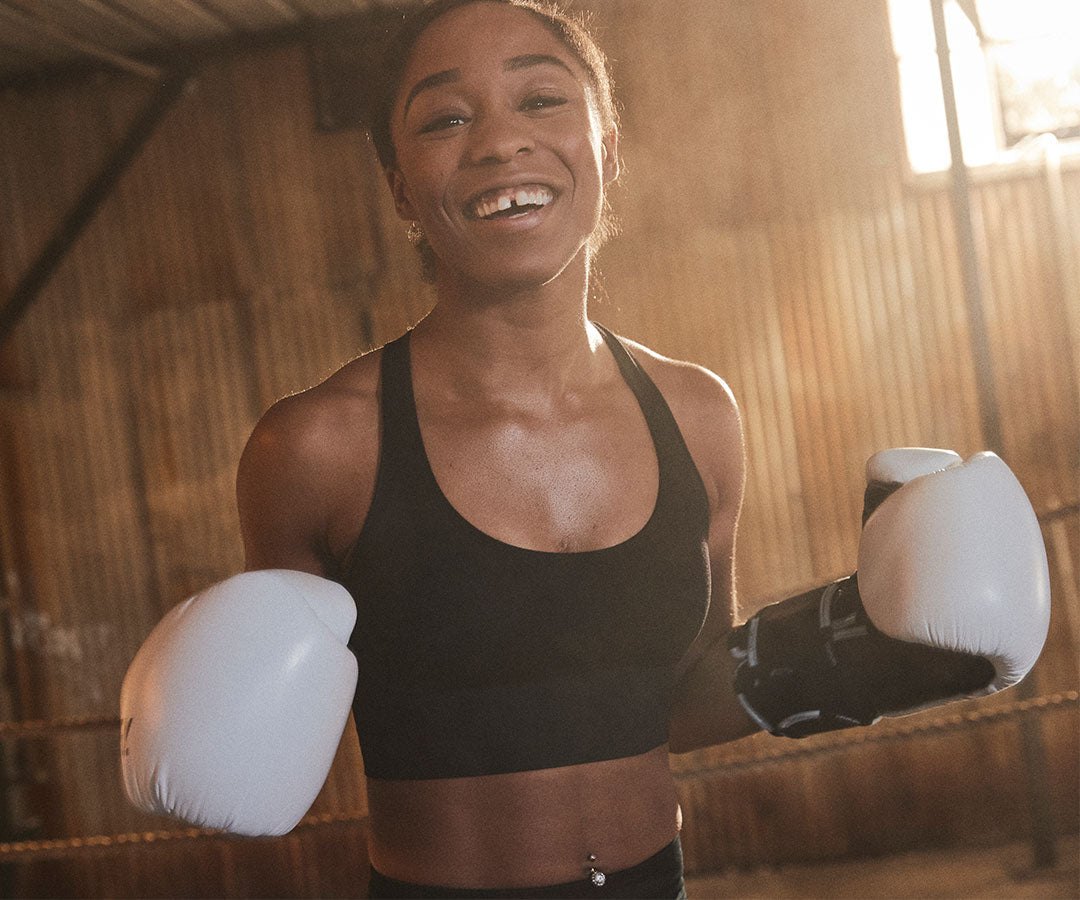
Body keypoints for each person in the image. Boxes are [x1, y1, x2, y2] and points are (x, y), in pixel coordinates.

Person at [119, 2, 1050, 897]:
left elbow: (679, 698)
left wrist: (872, 653)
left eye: (541, 99)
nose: (497, 142)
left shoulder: (698, 416)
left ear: (606, 146)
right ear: (401, 187)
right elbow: (269, 733)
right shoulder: (319, 444)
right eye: (445, 117)